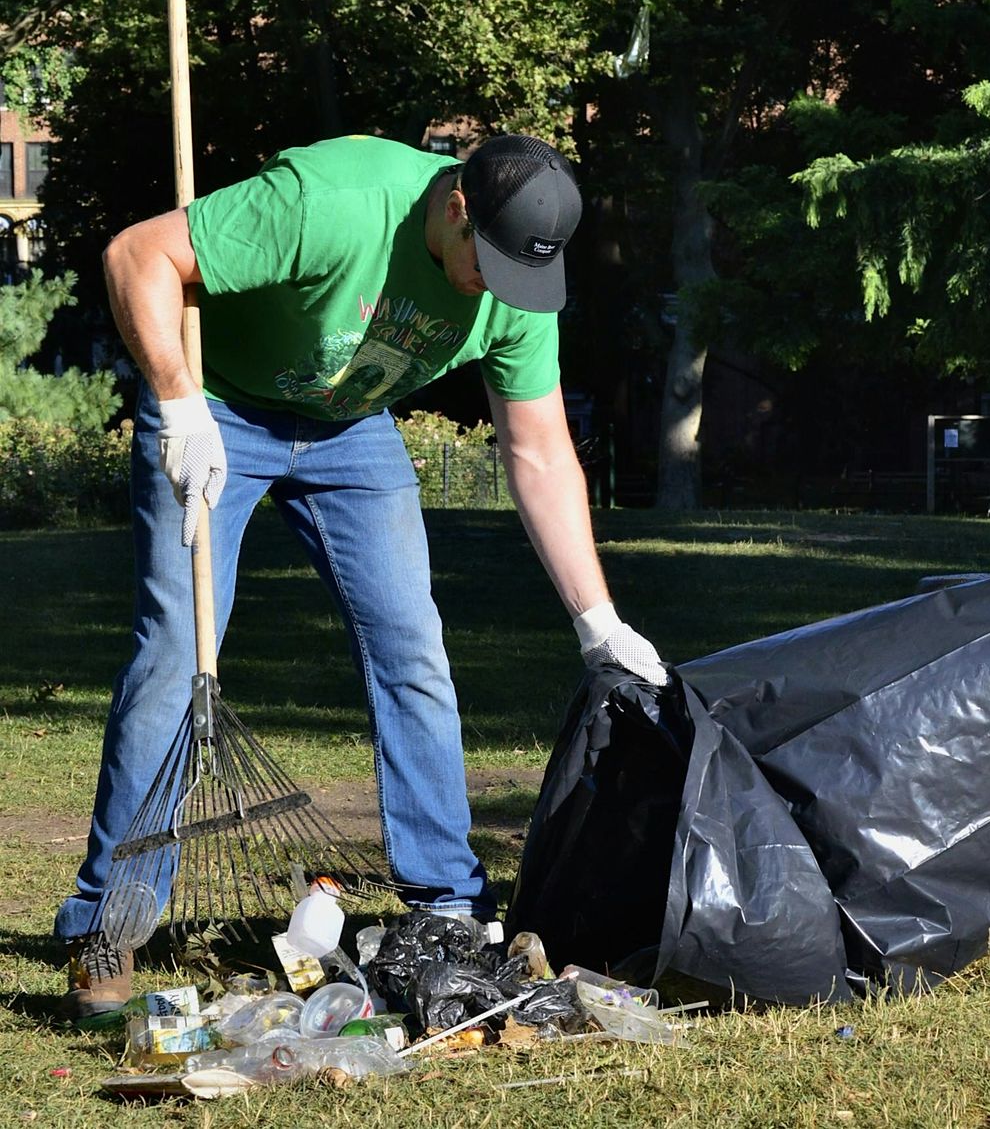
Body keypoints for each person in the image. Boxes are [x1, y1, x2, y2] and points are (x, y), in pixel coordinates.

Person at [57, 132, 668, 1019]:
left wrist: (598, 622)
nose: (495, 290)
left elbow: (537, 451)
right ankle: (106, 922)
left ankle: (449, 905)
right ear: (456, 204)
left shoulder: (518, 287)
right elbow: (137, 253)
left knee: (412, 648)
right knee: (173, 656)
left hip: (351, 430)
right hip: (221, 404)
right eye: (485, 263)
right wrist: (181, 406)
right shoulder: (332, 202)